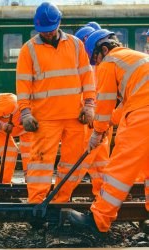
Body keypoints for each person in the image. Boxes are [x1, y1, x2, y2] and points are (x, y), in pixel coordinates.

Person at [66, 29, 149, 233]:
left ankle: (97, 220)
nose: (96, 64)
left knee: (118, 170)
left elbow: (104, 104)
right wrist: (109, 123)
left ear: (104, 49)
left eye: (95, 59)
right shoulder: (138, 58)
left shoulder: (110, 62)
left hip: (143, 116)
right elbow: (126, 104)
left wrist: (97, 131)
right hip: (142, 109)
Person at [16, 2, 96, 203]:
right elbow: (23, 84)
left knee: (73, 164)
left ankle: (61, 200)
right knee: (40, 163)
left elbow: (87, 77)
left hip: (75, 117)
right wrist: (25, 112)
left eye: (51, 30)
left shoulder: (76, 45)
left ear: (59, 24)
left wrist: (89, 104)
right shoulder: (29, 50)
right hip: (45, 119)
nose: (49, 34)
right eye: (44, 31)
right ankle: (36, 203)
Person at [75, 23, 113, 197]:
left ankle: (62, 196)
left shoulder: (93, 66)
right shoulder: (100, 64)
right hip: (102, 120)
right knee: (100, 162)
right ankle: (102, 195)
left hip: (93, 121)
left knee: (79, 162)